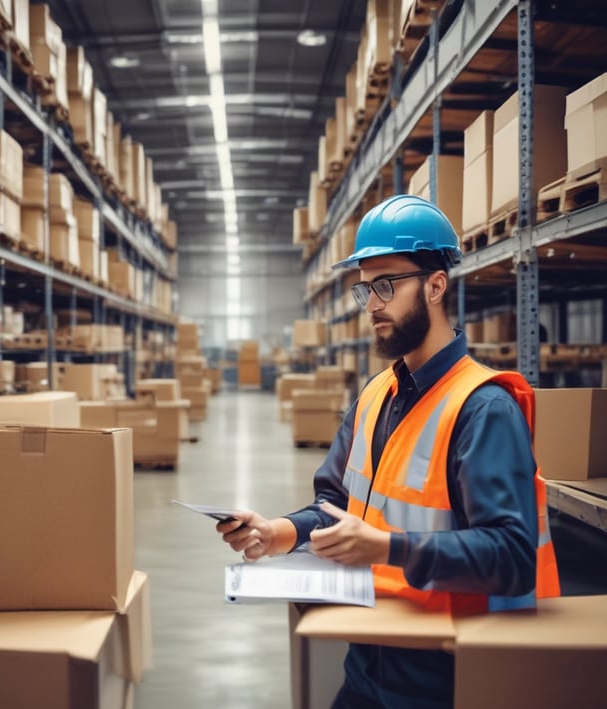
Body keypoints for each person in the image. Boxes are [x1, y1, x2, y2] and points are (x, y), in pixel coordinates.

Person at [216, 194, 560, 708]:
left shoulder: (482, 409)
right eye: (365, 288)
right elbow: (335, 506)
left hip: (446, 676)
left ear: (436, 285)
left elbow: (512, 557)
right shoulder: (376, 396)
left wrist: (387, 548)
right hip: (368, 664)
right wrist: (277, 532)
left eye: (385, 285)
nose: (372, 304)